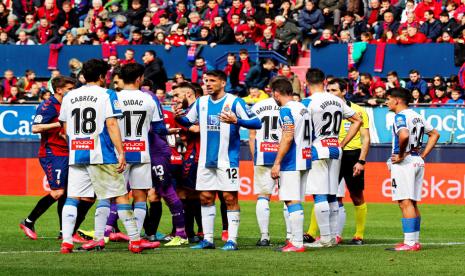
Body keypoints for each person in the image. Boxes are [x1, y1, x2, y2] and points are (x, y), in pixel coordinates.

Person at [58, 59, 146, 254]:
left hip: (77, 153)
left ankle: (66, 242)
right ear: (101, 76)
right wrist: (121, 152)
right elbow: (112, 124)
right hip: (102, 154)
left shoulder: (69, 96)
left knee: (72, 197)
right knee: (121, 197)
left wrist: (75, 145)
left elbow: (64, 130)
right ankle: (135, 240)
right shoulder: (108, 94)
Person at [175, 70, 261, 250]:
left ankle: (232, 240)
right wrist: (178, 117)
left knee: (230, 198)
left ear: (223, 83)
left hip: (227, 161)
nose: (208, 84)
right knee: (205, 198)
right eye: (206, 80)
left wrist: (236, 120)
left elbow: (257, 122)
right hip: (206, 160)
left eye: (212, 81)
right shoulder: (201, 102)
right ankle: (208, 239)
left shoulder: (234, 102)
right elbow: (187, 121)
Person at [19, 76, 90, 244]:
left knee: (67, 193)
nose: (72, 92)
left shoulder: (68, 104)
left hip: (67, 152)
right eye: (69, 89)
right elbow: (35, 128)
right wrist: (59, 123)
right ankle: (28, 221)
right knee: (58, 192)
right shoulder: (48, 106)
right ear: (59, 90)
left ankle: (64, 232)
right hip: (52, 153)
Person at [302, 68, 361, 248]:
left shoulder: (307, 102)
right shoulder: (337, 100)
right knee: (332, 194)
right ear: (325, 81)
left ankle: (326, 238)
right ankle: (334, 236)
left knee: (319, 195)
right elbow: (358, 120)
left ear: (306, 83)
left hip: (317, 149)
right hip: (335, 148)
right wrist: (342, 143)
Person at [111, 63, 161, 248]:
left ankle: (101, 236)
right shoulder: (149, 98)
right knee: (140, 196)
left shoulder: (113, 97)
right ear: (140, 78)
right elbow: (158, 128)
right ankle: (136, 239)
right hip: (141, 151)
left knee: (114, 195)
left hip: (118, 153)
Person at [385, 87, 439, 251]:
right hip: (416, 160)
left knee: (404, 202)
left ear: (397, 100)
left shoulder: (400, 116)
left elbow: (404, 135)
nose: (386, 102)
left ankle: (409, 243)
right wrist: (422, 155)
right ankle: (413, 241)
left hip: (405, 163)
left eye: (388, 99)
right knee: (413, 202)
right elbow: (435, 134)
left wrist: (401, 155)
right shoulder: (417, 116)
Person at [325, 78, 370, 245]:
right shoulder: (326, 110)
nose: (330, 94)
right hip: (331, 153)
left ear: (344, 91)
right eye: (328, 90)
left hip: (352, 155)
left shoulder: (358, 111)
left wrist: (361, 161)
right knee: (325, 193)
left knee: (356, 195)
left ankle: (359, 234)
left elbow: (366, 138)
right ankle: (312, 232)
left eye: (334, 90)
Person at [270, 77, 312, 252]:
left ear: (277, 93)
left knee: (291, 201)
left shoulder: (286, 110)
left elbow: (288, 136)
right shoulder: (303, 107)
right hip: (305, 158)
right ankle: (295, 240)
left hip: (292, 160)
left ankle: (297, 243)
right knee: (296, 200)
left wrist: (277, 162)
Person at [249, 86, 281, 246]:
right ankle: (291, 237)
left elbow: (252, 135)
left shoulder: (258, 106)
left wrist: (255, 157)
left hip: (263, 154)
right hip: (285, 157)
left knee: (263, 196)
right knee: (290, 198)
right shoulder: (290, 105)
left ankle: (264, 237)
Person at [172, 82, 204, 243]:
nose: (175, 99)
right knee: (190, 194)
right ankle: (193, 232)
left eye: (178, 95)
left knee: (188, 194)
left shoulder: (196, 110)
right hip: (190, 156)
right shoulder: (188, 111)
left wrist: (179, 120)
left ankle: (188, 233)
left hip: (194, 156)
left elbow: (197, 130)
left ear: (189, 94)